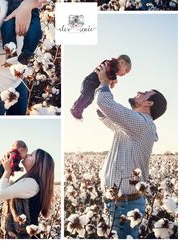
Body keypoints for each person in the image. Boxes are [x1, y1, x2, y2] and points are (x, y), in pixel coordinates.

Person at [96, 66, 167, 239]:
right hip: (118, 202)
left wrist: (104, 83)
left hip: (125, 204)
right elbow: (104, 112)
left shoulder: (142, 123)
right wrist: (101, 84)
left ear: (148, 103)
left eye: (144, 93)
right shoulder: (133, 126)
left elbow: (104, 103)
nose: (138, 92)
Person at [0, 149, 54, 238]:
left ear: (38, 164)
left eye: (31, 155)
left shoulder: (31, 183)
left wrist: (7, 171)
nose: (27, 154)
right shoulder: (31, 181)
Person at [70, 55, 131, 119]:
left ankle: (79, 110)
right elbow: (109, 70)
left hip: (94, 87)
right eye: (126, 70)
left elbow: (108, 76)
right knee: (85, 97)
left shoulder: (113, 71)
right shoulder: (111, 63)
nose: (124, 74)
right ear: (121, 63)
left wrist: (112, 81)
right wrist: (114, 79)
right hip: (90, 82)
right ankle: (75, 108)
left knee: (89, 100)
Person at [0, 140, 28, 205]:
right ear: (21, 150)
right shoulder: (15, 155)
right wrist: (19, 169)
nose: (26, 155)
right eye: (26, 153)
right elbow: (13, 165)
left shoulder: (13, 153)